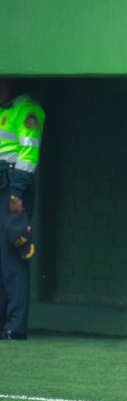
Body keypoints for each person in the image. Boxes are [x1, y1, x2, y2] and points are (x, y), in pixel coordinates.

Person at [0, 79, 43, 341]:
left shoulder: (27, 110)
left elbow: (28, 153)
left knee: (12, 257)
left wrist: (17, 191)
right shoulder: (4, 110)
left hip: (13, 184)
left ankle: (15, 326)